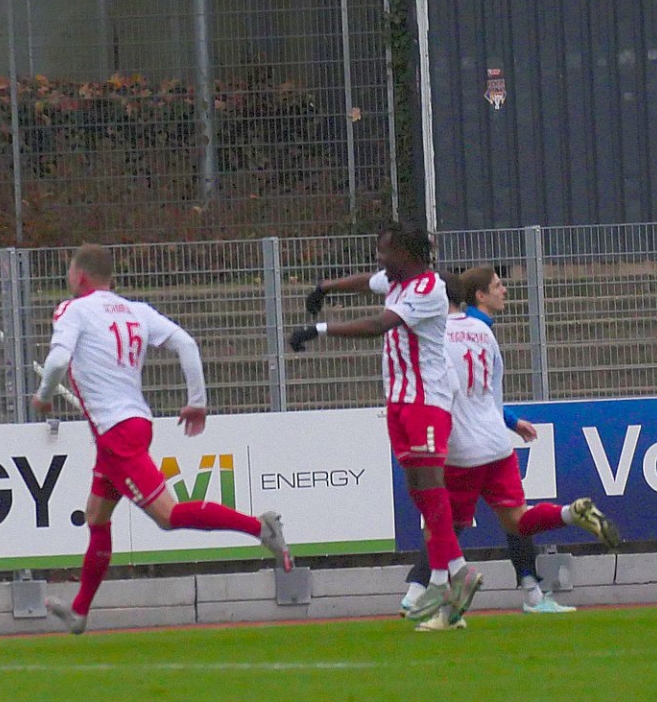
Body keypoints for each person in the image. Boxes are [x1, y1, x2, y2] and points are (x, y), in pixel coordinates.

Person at [33, 243, 292, 634]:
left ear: (79, 276)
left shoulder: (74, 310)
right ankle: (79, 611)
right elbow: (185, 343)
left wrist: (43, 396)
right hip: (132, 423)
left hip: (116, 432)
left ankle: (260, 528)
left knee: (168, 516)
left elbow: (56, 360)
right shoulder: (136, 310)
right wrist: (197, 401)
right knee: (96, 516)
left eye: (69, 270)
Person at [401, 267, 620, 626]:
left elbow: (442, 393)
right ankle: (571, 513)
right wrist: (511, 423)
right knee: (518, 521)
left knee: (439, 527)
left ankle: (441, 603)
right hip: (497, 446)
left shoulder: (433, 338)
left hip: (461, 450)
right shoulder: (483, 333)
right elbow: (491, 392)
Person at [291, 222, 483, 627]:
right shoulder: (396, 280)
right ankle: (448, 577)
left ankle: (451, 576)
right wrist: (325, 287)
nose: (379, 258)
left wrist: (318, 329)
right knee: (420, 493)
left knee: (431, 489)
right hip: (399, 401)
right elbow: (368, 281)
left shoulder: (428, 289)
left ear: (407, 254)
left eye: (385, 251)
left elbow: (379, 324)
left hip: (426, 401)